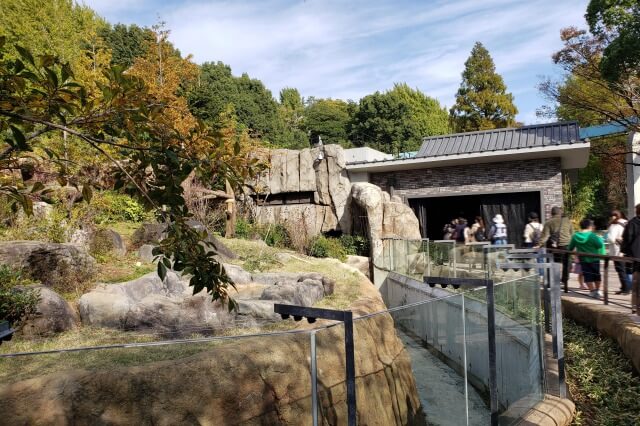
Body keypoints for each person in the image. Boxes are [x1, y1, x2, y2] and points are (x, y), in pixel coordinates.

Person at [539, 206, 574, 289]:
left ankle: (550, 284)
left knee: (550, 264)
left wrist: (539, 244)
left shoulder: (548, 222)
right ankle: (565, 280)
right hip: (566, 246)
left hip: (553, 248)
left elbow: (545, 237)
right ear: (560, 213)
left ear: (552, 213)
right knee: (567, 263)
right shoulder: (568, 221)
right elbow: (572, 234)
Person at [568, 219, 605, 299]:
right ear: (589, 226)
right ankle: (598, 290)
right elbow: (599, 245)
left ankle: (592, 291)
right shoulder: (592, 236)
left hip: (583, 260)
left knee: (587, 276)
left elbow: (570, 248)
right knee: (596, 275)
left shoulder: (575, 236)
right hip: (595, 259)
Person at [621, 204, 640, 313]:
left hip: (636, 258)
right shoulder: (632, 224)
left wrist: (627, 253)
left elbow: (626, 240)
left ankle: (635, 307)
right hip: (636, 258)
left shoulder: (631, 224)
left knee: (636, 284)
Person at [607, 210, 631, 295]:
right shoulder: (627, 223)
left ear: (614, 216)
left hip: (617, 251)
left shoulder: (614, 225)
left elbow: (611, 239)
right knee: (627, 270)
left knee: (620, 270)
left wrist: (607, 238)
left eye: (611, 216)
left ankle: (625, 289)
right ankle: (627, 287)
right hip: (628, 251)